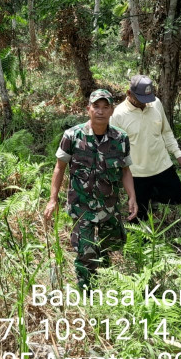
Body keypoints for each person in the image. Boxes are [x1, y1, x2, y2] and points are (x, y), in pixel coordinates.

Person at [44, 89, 138, 289]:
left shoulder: (120, 139)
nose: (100, 111)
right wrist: (53, 199)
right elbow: (59, 168)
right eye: (96, 107)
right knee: (85, 252)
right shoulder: (72, 136)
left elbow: (125, 170)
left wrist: (132, 197)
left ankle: (103, 289)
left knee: (108, 249)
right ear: (88, 109)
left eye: (106, 107)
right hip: (82, 206)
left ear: (112, 111)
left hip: (109, 205)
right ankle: (86, 292)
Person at [110, 75, 181, 221]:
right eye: (141, 99)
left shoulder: (155, 103)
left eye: (148, 98)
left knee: (178, 197)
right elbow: (115, 148)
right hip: (137, 173)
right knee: (139, 216)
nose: (145, 103)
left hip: (161, 165)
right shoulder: (118, 115)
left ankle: (153, 200)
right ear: (129, 93)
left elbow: (166, 131)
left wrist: (178, 154)